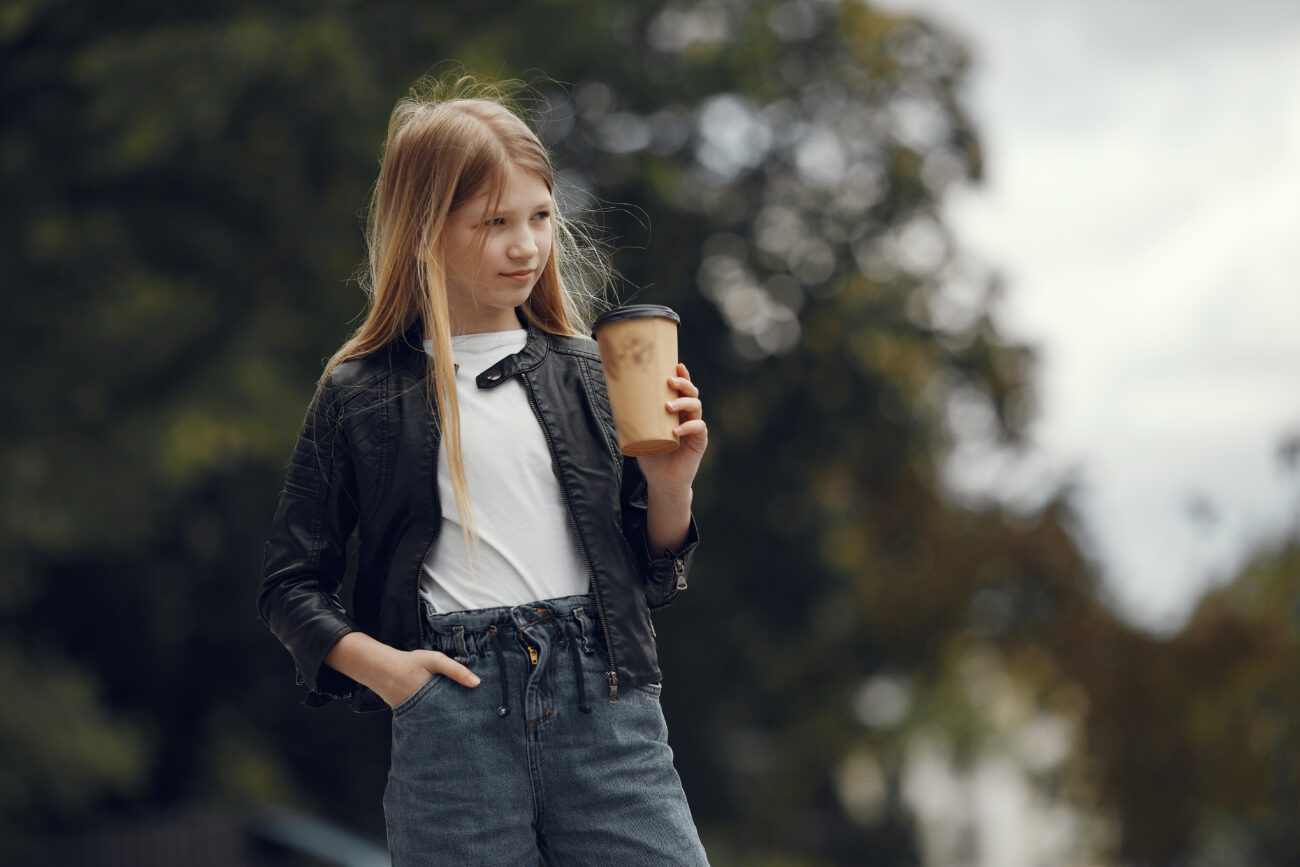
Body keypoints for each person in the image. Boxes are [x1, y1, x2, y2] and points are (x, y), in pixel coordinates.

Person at [257, 76, 710, 866]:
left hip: (608, 714)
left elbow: (655, 572)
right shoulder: (358, 393)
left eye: (539, 216)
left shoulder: (590, 373)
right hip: (453, 724)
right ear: (426, 230)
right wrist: (393, 673)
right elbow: (290, 583)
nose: (526, 245)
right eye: (494, 222)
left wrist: (672, 483)